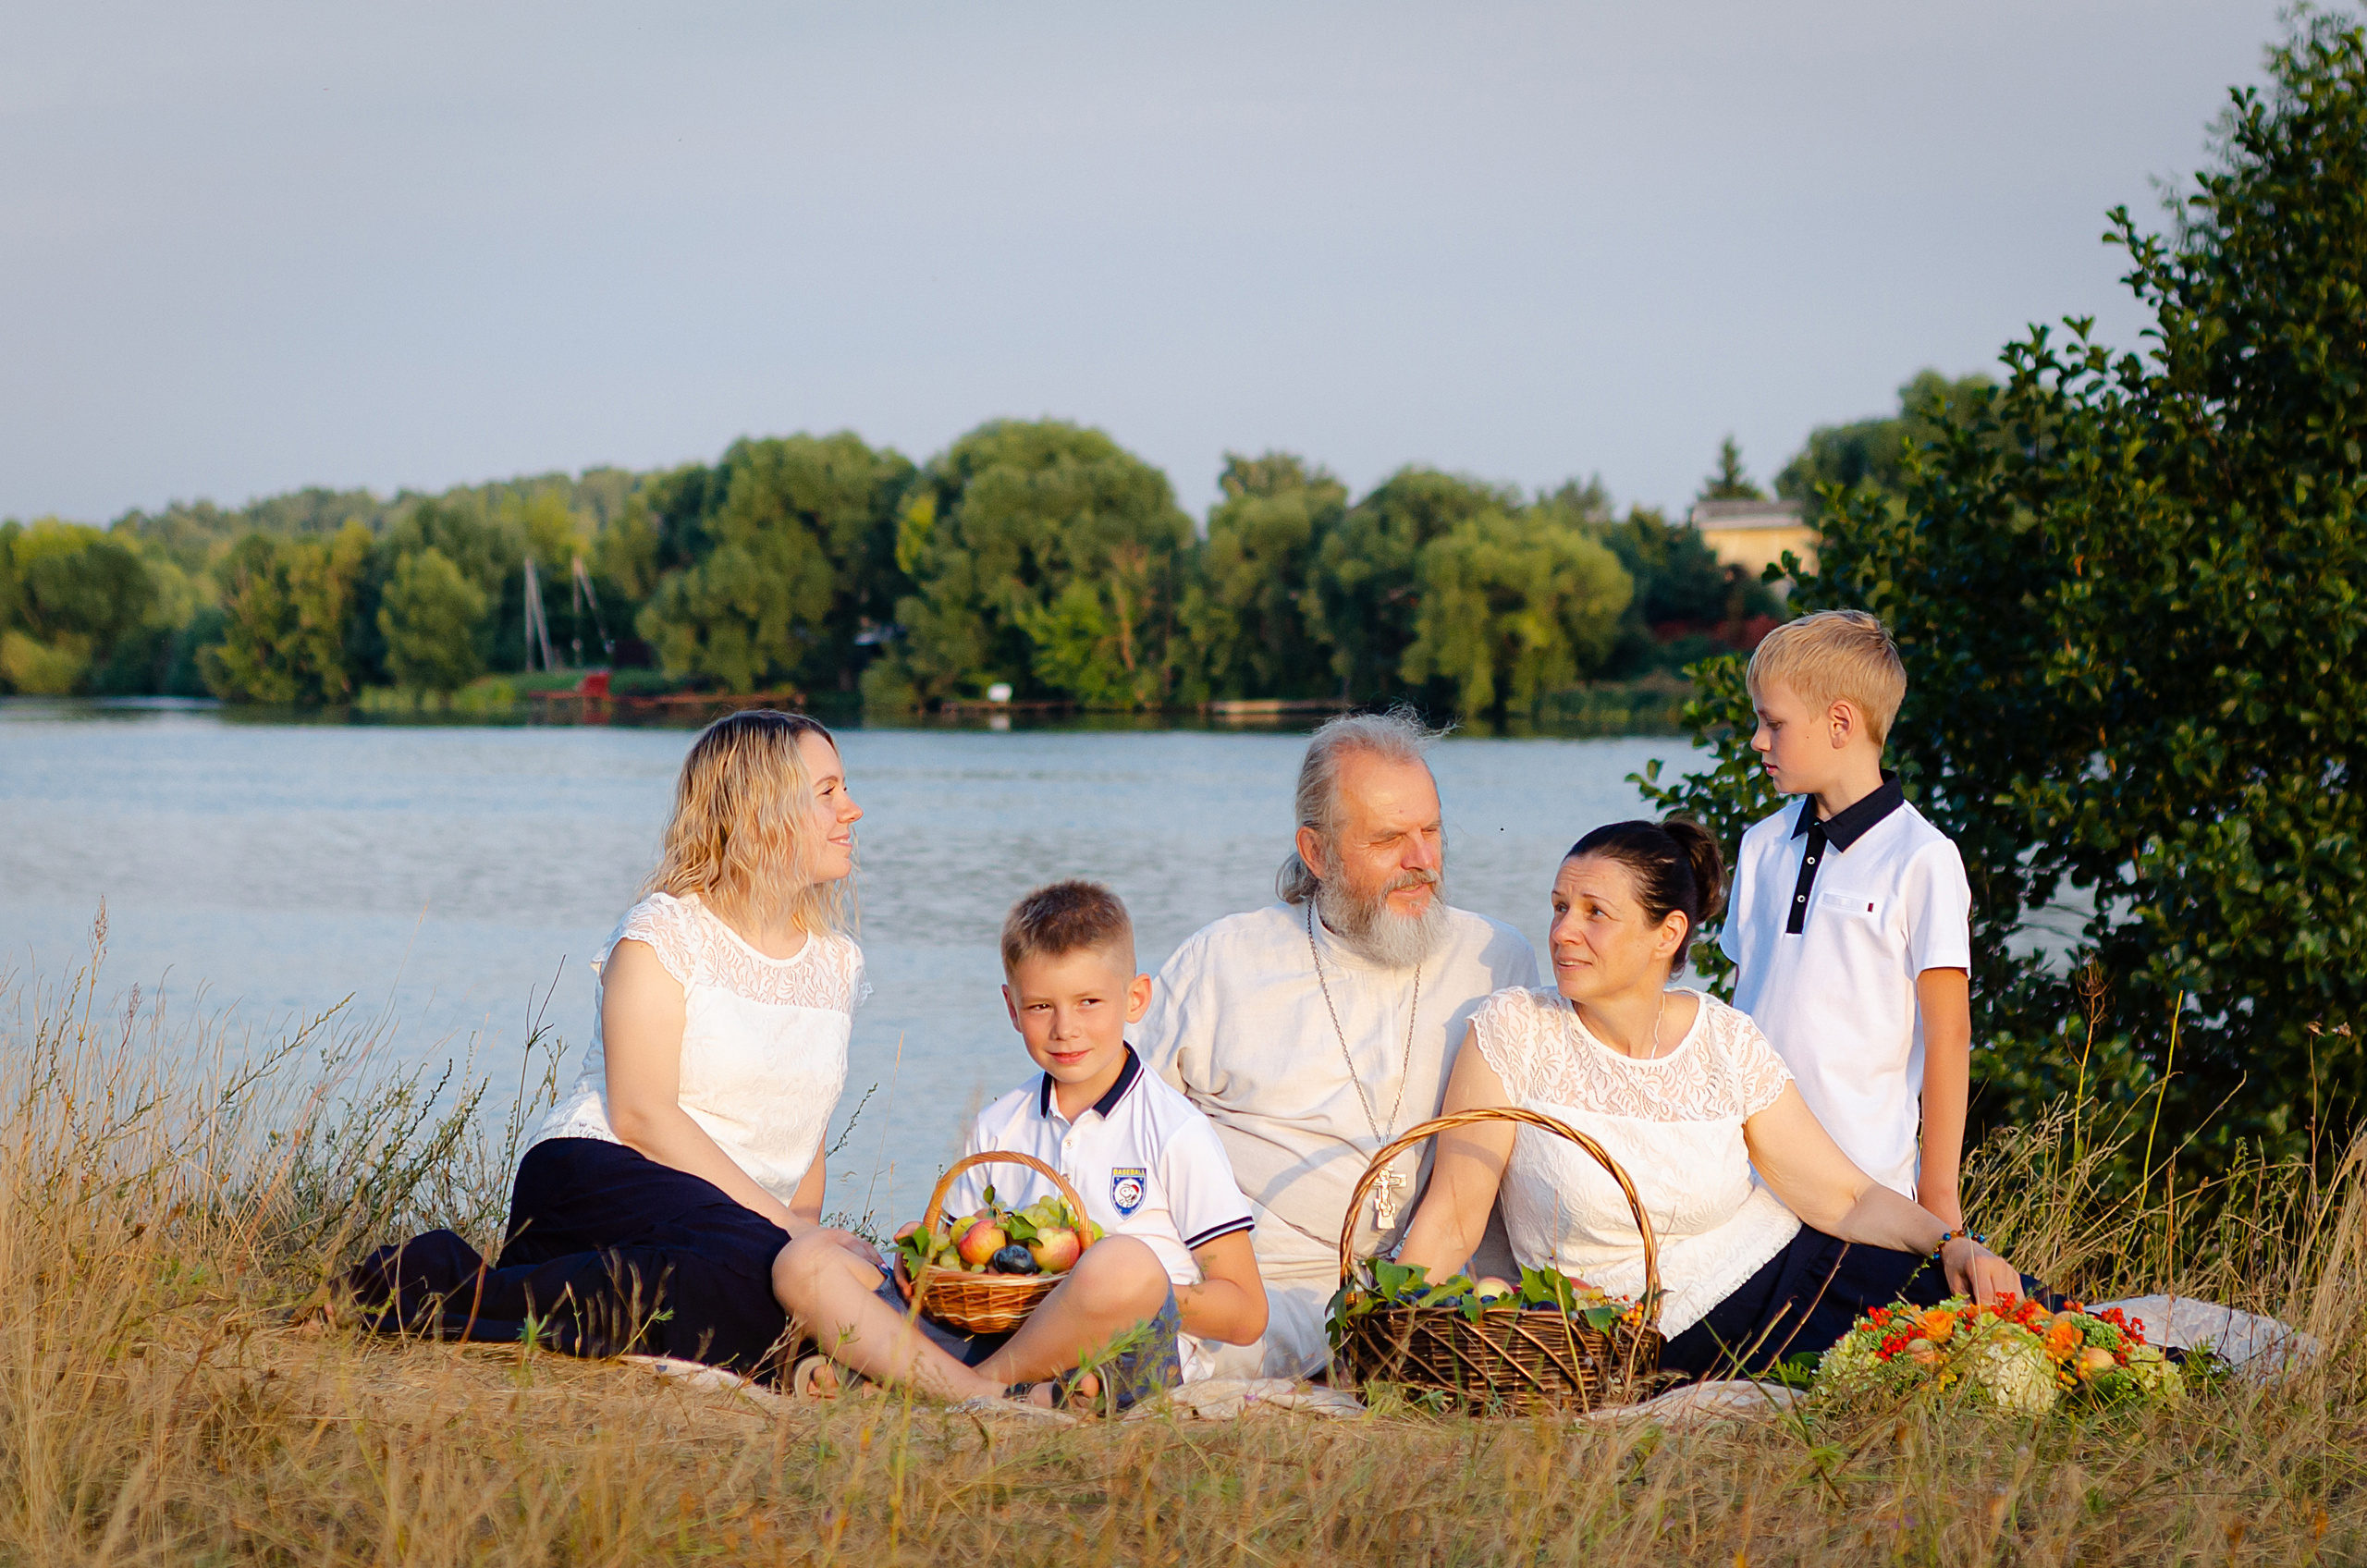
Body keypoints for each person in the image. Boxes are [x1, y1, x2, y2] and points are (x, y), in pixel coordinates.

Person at [1395, 818, 2026, 1381]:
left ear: (1667, 933)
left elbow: (1847, 1197)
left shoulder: (1724, 1039)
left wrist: (1951, 1245)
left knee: (2034, 1331)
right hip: (1653, 1339)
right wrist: (1387, 1335)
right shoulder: (1513, 1030)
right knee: (1964, 1367)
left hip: (1795, 1271)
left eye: (1594, 913)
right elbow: (1453, 1213)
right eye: (1560, 906)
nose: (1563, 932)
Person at [342, 710, 869, 1379]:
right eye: (826, 792)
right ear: (759, 807)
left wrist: (809, 1240)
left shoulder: (837, 963)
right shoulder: (662, 936)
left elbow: (807, 1132)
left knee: (823, 1274)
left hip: (731, 1223)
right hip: (601, 1173)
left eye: (842, 788)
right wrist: (788, 1235)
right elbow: (643, 1117)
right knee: (740, 1261)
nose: (850, 809)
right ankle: (426, 1284)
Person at [1136, 709, 1539, 1378]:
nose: (1422, 862)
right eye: (1388, 840)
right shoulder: (1223, 961)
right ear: (1317, 852)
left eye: (1431, 832)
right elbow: (1118, 1117)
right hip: (1252, 1290)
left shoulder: (1495, 959)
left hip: (1426, 1295)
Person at [771, 880, 1267, 1411]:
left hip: (1114, 1343)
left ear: (1136, 997)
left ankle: (930, 1387)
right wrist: (928, 1258)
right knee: (803, 1263)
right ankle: (990, 1395)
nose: (1065, 1028)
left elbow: (1245, 1313)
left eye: (1089, 1002)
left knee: (1121, 1263)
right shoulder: (997, 1126)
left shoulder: (1175, 1131)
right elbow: (966, 1265)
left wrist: (1099, 1293)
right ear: (1012, 1008)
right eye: (1040, 1007)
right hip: (995, 1333)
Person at [1722, 609, 1975, 1225]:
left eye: (1773, 723)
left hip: (1864, 1197)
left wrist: (1937, 1202)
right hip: (1746, 1189)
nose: (1758, 741)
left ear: (1840, 723)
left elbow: (1949, 1037)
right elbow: (1738, 1015)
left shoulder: (1923, 858)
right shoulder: (1760, 845)